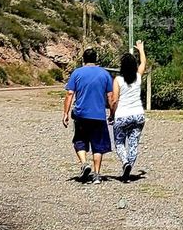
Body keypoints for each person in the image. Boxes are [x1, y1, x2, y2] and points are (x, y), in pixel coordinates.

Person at [62, 48, 114, 183]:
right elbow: (111, 97)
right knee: (98, 145)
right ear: (96, 59)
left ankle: (84, 163)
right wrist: (112, 113)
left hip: (81, 114)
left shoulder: (77, 73)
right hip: (98, 115)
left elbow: (69, 94)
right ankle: (97, 175)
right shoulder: (105, 74)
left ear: (83, 59)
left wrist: (65, 113)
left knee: (79, 141)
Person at [110, 39, 147, 180]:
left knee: (119, 142)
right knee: (133, 143)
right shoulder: (138, 77)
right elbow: (143, 63)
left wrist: (112, 114)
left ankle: (125, 162)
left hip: (122, 115)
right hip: (138, 115)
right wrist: (141, 49)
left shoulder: (118, 80)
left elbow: (114, 100)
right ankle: (129, 165)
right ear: (133, 66)